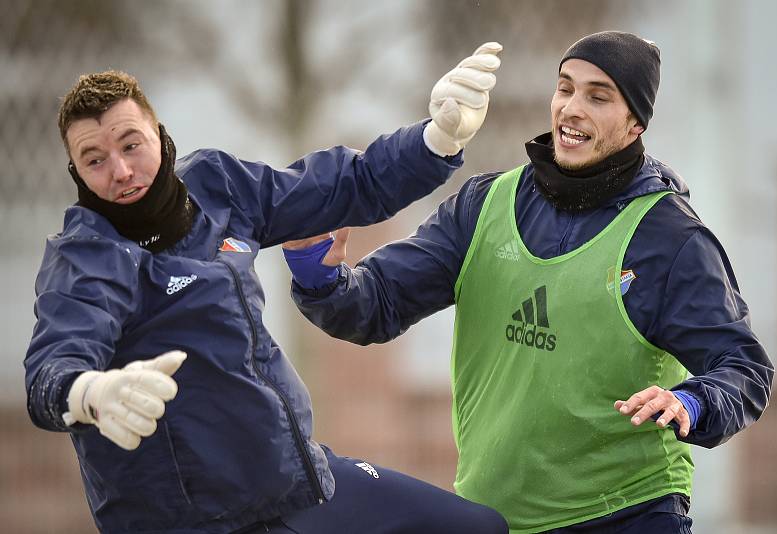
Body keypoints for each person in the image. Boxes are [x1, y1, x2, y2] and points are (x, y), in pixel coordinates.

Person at [283, 31, 775, 533]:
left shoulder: (670, 238)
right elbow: (375, 305)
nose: (572, 108)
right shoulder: (484, 205)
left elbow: (743, 369)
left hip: (628, 514)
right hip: (497, 518)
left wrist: (692, 401)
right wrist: (317, 276)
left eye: (598, 96)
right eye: (565, 88)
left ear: (635, 124)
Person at [24, 43, 511, 534]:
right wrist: (88, 393)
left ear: (160, 136)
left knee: (476, 527)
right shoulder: (85, 257)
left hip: (292, 484)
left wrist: (435, 140)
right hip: (192, 521)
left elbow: (344, 186)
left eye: (131, 145)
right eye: (95, 159)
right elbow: (53, 365)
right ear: (77, 175)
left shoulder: (215, 187)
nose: (121, 171)